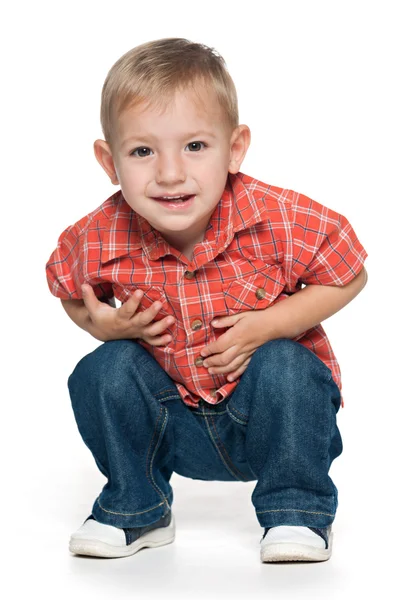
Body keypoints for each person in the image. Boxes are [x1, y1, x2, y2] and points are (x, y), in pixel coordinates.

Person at [46, 37, 368, 563]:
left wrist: (270, 325)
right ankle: (137, 507)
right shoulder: (97, 235)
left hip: (269, 421)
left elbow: (348, 273)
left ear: (235, 148)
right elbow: (67, 289)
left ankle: (297, 510)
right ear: (109, 160)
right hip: (173, 423)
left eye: (195, 146)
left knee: (288, 363)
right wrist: (104, 326)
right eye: (142, 151)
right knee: (103, 369)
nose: (170, 173)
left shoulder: (277, 217)